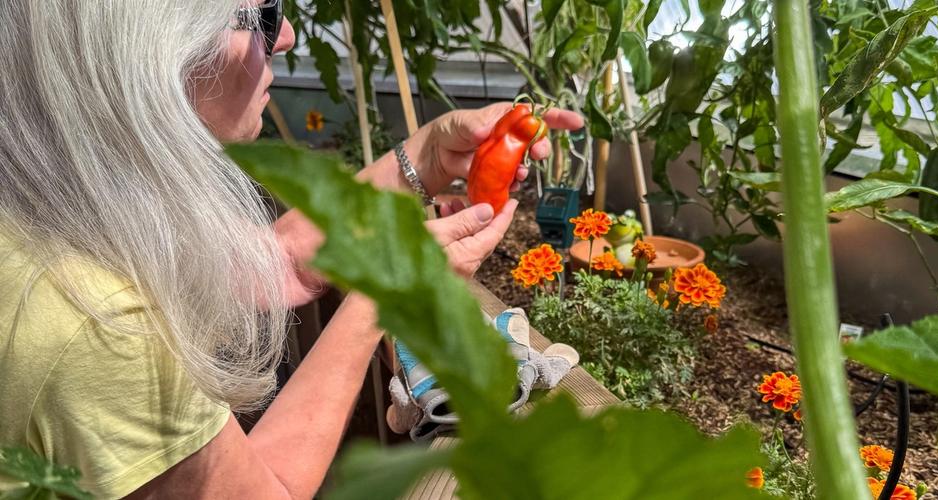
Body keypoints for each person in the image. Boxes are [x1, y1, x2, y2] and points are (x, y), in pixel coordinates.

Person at [0, 1, 583, 498]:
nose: (287, 35)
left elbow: (274, 260)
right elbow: (264, 490)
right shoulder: (97, 325)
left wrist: (425, 159)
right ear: (151, 45)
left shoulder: (52, 210)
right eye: (262, 13)